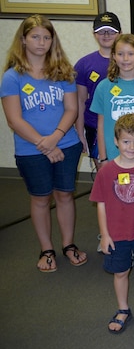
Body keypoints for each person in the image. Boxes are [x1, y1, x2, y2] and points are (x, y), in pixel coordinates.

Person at [1, 14, 86, 272]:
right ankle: (46, 248)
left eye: (46, 37)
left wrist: (56, 138)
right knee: (40, 198)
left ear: (53, 40)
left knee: (65, 195)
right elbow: (14, 120)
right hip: (31, 149)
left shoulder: (63, 72)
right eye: (35, 37)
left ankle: (68, 244)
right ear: (24, 39)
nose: (41, 42)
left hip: (66, 144)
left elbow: (72, 109)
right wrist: (45, 144)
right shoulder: (12, 77)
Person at [90, 114, 134, 333]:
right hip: (116, 233)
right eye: (126, 141)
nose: (132, 147)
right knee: (120, 272)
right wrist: (105, 235)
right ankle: (123, 308)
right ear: (116, 141)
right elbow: (101, 203)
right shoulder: (106, 171)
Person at [74, 11, 121, 172]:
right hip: (94, 127)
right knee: (105, 174)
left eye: (111, 31)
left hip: (125, 127)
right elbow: (79, 101)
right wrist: (80, 133)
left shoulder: (128, 60)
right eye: (102, 31)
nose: (106, 35)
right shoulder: (84, 64)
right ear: (94, 34)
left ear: (119, 33)